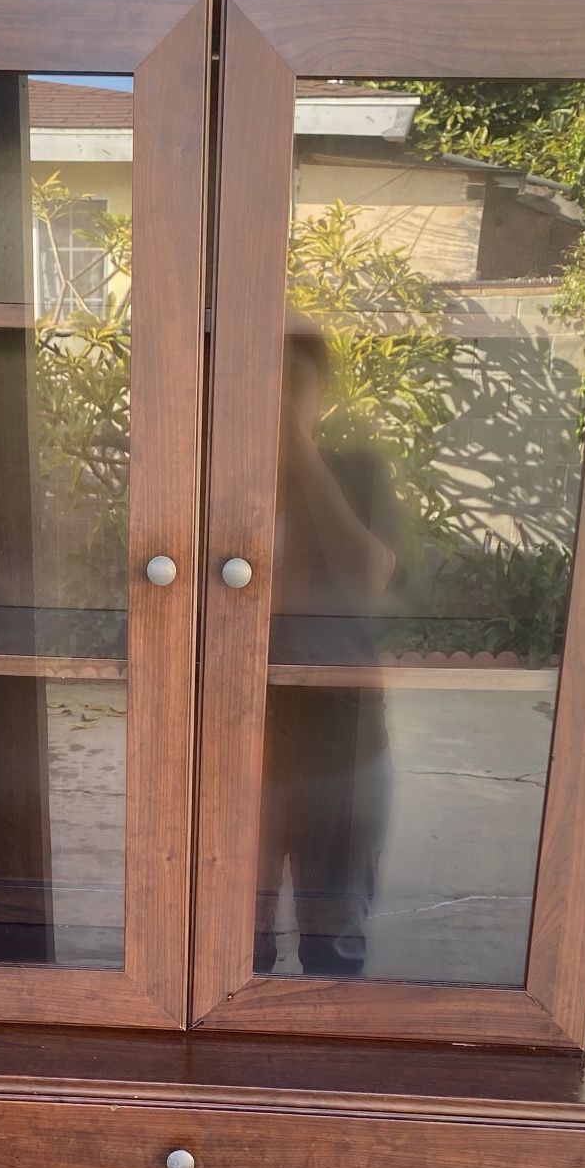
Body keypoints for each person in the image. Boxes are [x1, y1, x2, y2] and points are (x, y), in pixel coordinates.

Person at [254, 314, 403, 978]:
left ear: (321, 397)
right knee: (229, 945)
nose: (279, 404)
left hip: (343, 746)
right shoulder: (219, 478)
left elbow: (367, 577)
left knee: (335, 940)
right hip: (238, 748)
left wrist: (300, 454)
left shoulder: (357, 473)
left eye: (294, 389)